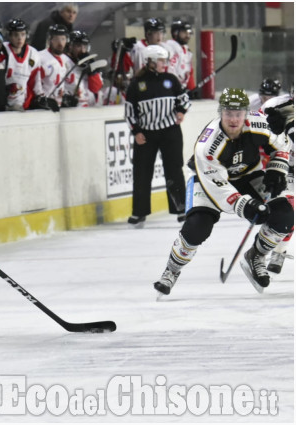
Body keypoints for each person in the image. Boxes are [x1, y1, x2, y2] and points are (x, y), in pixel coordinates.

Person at [153, 88, 293, 295]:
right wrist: (245, 205)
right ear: (220, 112)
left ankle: (256, 255)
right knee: (197, 228)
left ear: (246, 113)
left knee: (284, 216)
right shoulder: (207, 144)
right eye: (228, 113)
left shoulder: (257, 123)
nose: (234, 119)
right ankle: (171, 270)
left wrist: (276, 169)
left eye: (238, 113)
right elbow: (217, 186)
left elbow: (281, 144)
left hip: (248, 176)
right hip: (209, 183)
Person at [125, 44, 190, 226]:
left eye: (165, 60)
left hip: (170, 132)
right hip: (146, 134)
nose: (164, 63)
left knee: (174, 169)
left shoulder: (171, 79)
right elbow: (130, 111)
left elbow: (183, 99)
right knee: (142, 173)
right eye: (161, 60)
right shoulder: (137, 84)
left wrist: (181, 111)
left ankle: (180, 208)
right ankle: (139, 212)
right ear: (150, 62)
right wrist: (136, 131)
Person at [260, 92, 294, 274]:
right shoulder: (275, 105)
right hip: (282, 164)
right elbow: (251, 128)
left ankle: (278, 251)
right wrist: (271, 127)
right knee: (283, 210)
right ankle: (264, 252)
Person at [2, 18, 43, 111]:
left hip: (23, 104)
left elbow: (35, 81)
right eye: (16, 35)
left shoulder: (33, 54)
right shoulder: (2, 50)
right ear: (9, 36)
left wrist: (40, 97)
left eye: (23, 34)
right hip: (3, 104)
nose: (20, 38)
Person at [62, 30, 103, 108]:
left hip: (89, 109)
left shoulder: (90, 63)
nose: (82, 50)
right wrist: (64, 98)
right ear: (70, 47)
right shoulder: (64, 61)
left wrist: (92, 71)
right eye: (78, 46)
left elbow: (95, 89)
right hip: (70, 110)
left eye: (84, 46)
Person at [37, 24, 70, 110]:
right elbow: (34, 84)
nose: (60, 43)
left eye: (63, 39)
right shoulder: (41, 58)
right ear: (50, 40)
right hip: (43, 109)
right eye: (56, 39)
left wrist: (66, 96)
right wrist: (41, 100)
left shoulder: (65, 59)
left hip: (58, 107)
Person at [165, 20, 195, 91]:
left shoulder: (186, 50)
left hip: (181, 90)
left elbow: (189, 72)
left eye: (189, 33)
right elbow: (166, 71)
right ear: (175, 33)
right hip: (170, 90)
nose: (188, 36)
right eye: (184, 33)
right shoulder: (169, 47)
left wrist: (192, 89)